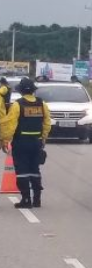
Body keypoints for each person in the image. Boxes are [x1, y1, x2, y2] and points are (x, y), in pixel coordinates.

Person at [0, 77, 51, 208]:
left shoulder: (18, 105)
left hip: (21, 143)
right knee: (35, 169)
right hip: (37, 142)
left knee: (22, 170)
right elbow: (47, 123)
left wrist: (5, 140)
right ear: (33, 91)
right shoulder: (42, 104)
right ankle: (37, 199)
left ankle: (26, 199)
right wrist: (43, 137)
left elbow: (9, 124)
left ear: (21, 91)